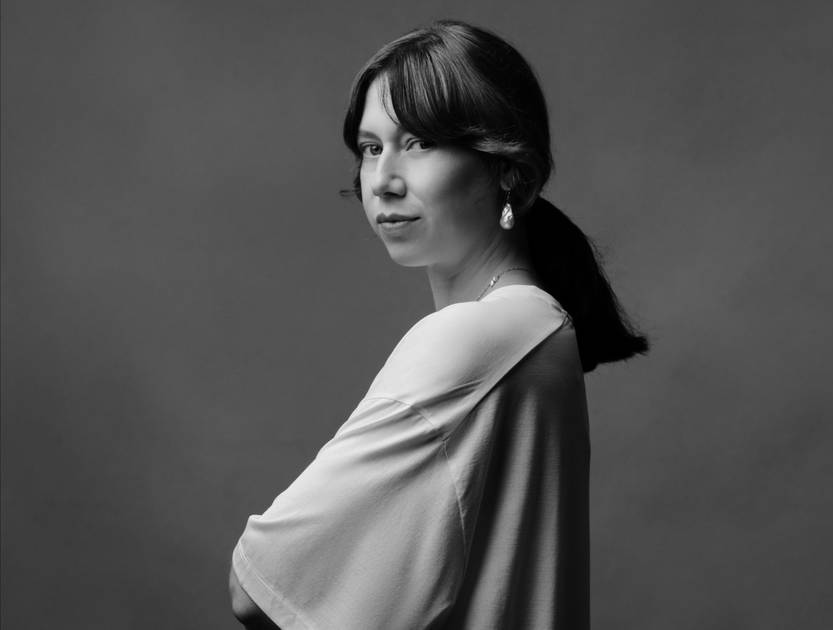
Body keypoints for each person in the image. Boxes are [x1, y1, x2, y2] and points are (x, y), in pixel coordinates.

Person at [229, 19, 648, 629]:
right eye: (371, 148)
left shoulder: (470, 341)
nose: (383, 181)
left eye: (421, 143)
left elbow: (257, 584)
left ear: (511, 170)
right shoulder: (541, 326)